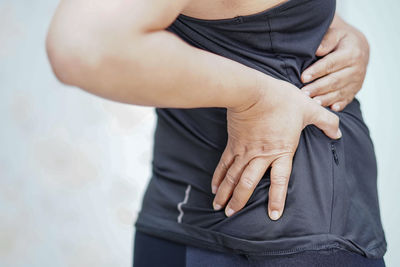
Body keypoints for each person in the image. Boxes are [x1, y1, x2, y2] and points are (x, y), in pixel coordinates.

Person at [46, 0, 386, 266]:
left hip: (174, 219)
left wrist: (339, 28)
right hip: (288, 234)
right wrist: (256, 98)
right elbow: (82, 46)